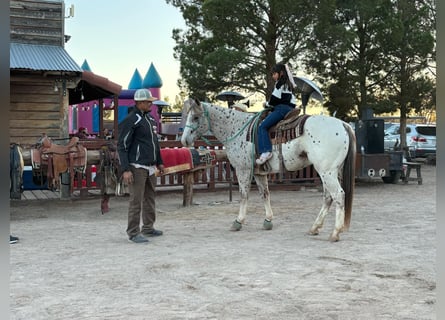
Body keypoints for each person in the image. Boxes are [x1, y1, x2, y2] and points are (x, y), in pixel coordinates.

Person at [117, 88, 165, 243]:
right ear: (139, 103)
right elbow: (122, 146)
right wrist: (126, 169)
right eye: (148, 101)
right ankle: (133, 232)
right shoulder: (130, 120)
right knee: (136, 200)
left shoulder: (150, 120)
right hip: (136, 166)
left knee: (150, 198)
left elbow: (155, 144)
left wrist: (160, 162)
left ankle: (148, 228)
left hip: (151, 166)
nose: (151, 103)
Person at [256, 63, 297, 165]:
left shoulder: (279, 83)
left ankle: (266, 151)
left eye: (274, 74)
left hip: (281, 109)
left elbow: (274, 100)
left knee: (262, 126)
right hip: (289, 109)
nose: (273, 76)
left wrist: (266, 104)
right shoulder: (289, 84)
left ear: (281, 73)